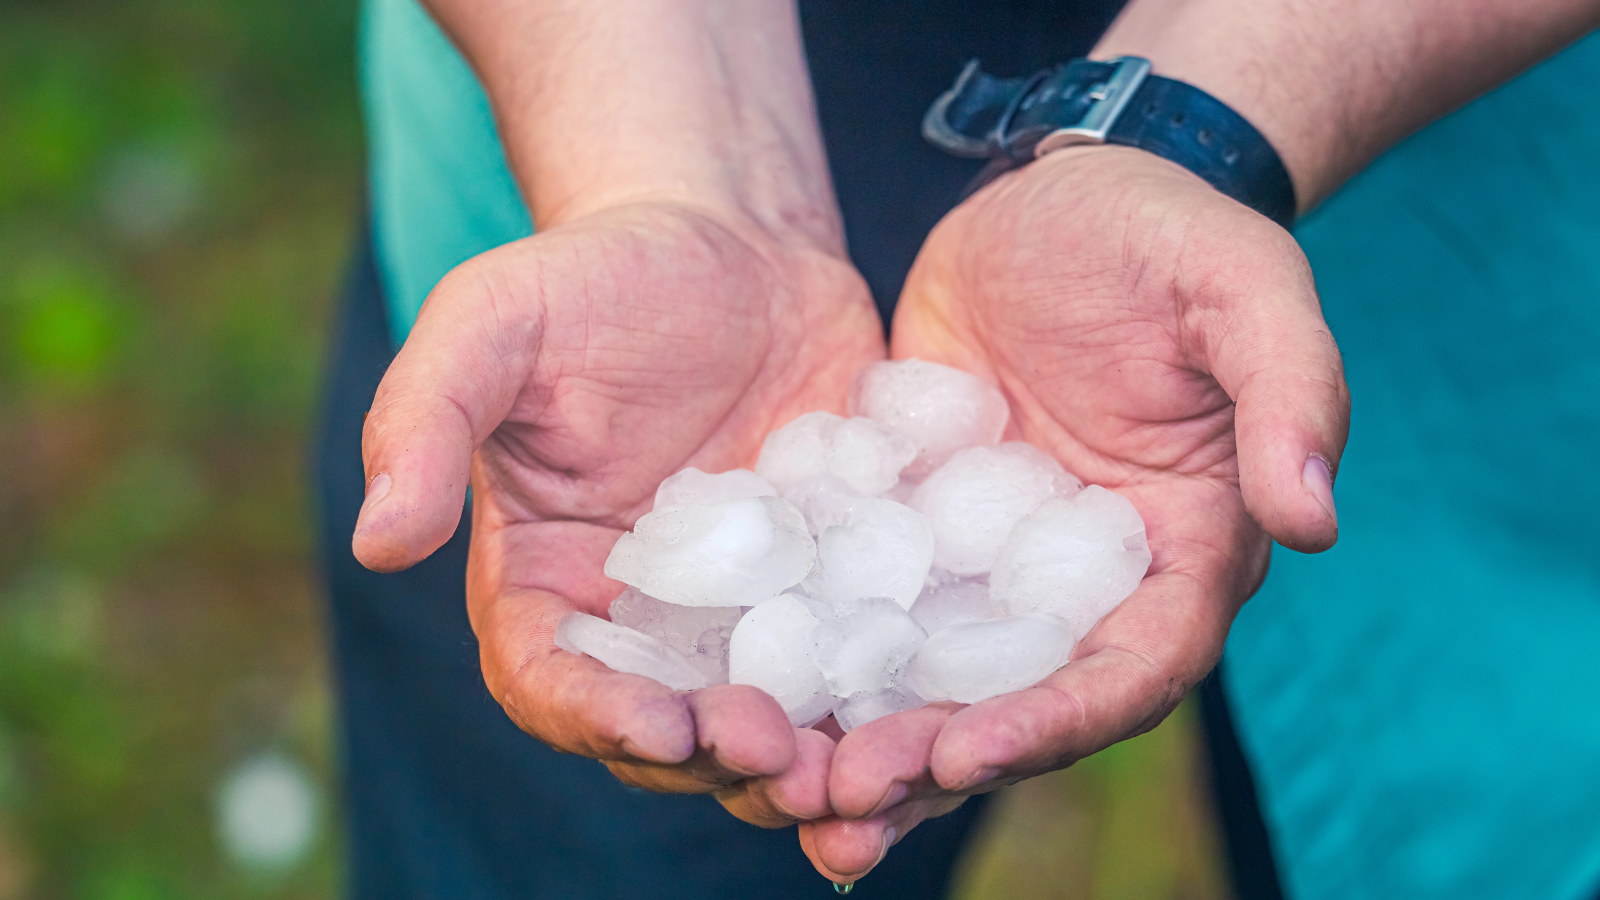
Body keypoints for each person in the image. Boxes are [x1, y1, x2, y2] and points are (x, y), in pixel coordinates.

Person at [315, 0, 1600, 896]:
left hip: (1442, 168)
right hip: (607, 80)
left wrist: (1188, 137)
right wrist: (661, 177)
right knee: (588, 852)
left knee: (1460, 803)